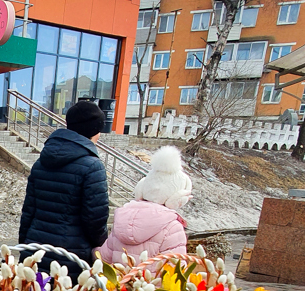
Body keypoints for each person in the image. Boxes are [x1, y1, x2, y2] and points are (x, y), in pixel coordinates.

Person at [18, 100, 110, 278]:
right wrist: (100, 246)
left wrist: (25, 246)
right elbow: (95, 220)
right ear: (95, 131)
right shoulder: (93, 166)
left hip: (36, 251)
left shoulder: (41, 162)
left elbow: (28, 211)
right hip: (71, 258)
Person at [97, 145, 192, 264]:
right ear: (178, 197)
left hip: (120, 281)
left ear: (141, 187)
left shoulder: (122, 219)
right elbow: (176, 271)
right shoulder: (172, 227)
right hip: (149, 282)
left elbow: (103, 258)